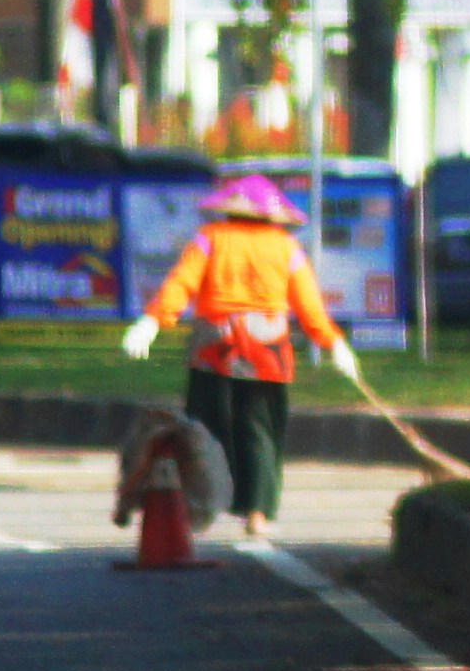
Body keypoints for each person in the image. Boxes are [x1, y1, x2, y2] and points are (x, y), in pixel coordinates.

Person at [122, 173, 351, 534]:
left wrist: (152, 321)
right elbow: (309, 306)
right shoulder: (286, 248)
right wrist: (332, 342)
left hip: (214, 348)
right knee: (260, 433)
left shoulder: (210, 239)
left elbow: (182, 283)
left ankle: (199, 508)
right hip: (267, 352)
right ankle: (258, 514)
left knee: (202, 430)